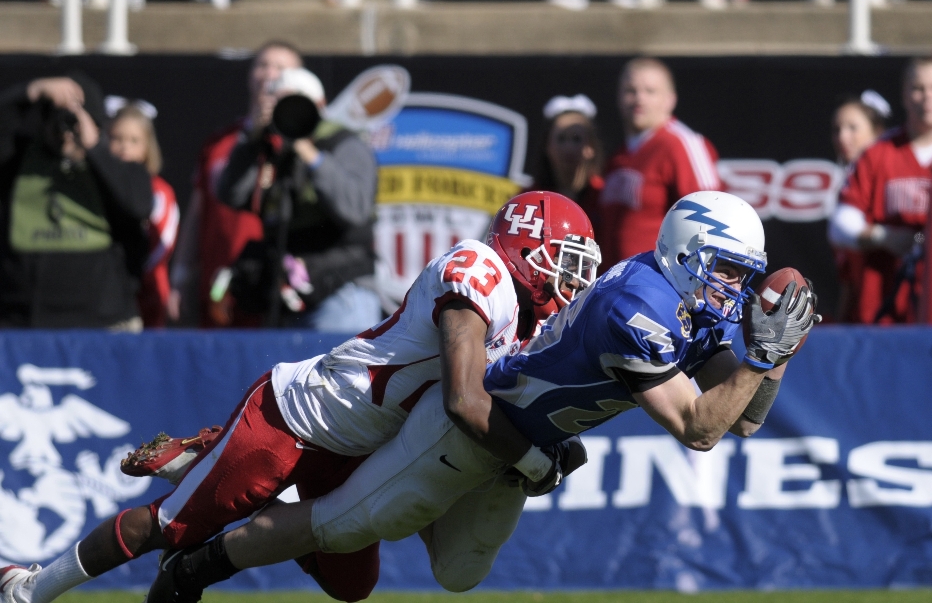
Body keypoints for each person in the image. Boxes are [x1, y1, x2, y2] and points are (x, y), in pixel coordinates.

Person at [136, 191, 820, 602]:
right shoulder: (635, 305)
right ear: (688, 251)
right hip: (473, 428)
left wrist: (775, 357)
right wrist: (761, 355)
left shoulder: (696, 303)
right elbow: (700, 427)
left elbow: (745, 422)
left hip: (530, 444)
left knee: (459, 573)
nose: (734, 286)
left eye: (744, 275)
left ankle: (374, 488)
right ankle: (200, 565)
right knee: (340, 525)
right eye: (729, 269)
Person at [0, 191, 601, 603]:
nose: (570, 282)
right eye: (564, 263)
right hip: (296, 418)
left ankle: (222, 465)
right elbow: (465, 403)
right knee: (169, 528)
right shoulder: (481, 273)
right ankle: (30, 586)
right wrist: (528, 457)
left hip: (359, 447)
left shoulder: (523, 319)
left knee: (352, 586)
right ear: (525, 244)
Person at [216, 66, 381, 332]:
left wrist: (309, 152)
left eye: (294, 103)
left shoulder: (341, 143)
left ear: (319, 105)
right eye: (279, 104)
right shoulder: (270, 149)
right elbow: (230, 195)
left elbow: (356, 209)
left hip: (341, 293)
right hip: (287, 296)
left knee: (338, 373)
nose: (287, 111)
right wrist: (250, 138)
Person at [0, 74, 152, 330]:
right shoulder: (19, 160)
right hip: (23, 319)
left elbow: (138, 205)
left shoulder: (118, 168)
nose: (68, 134)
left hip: (100, 322)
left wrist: (95, 148)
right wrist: (30, 92)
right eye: (57, 122)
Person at [168, 41, 301, 328]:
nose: (269, 73)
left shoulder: (303, 146)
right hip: (220, 287)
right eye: (262, 65)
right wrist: (181, 274)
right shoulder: (220, 142)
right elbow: (198, 211)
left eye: (280, 67)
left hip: (278, 290)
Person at [828, 57, 932, 324]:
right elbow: (840, 225)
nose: (927, 97)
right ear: (904, 95)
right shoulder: (878, 153)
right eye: (918, 88)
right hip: (883, 309)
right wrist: (884, 236)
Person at [598, 56, 722, 268]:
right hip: (614, 284)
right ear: (619, 97)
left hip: (657, 284)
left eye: (650, 91)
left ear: (670, 99)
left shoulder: (682, 144)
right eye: (630, 91)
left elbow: (712, 219)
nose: (639, 99)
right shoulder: (619, 156)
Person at [107, 101, 180, 328]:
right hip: (107, 292)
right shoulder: (97, 187)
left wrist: (135, 273)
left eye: (134, 141)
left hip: (147, 293)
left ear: (148, 146)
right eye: (116, 138)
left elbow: (163, 241)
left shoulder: (159, 191)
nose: (124, 147)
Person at [827, 90, 890, 323]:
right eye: (837, 129)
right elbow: (848, 279)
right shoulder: (846, 185)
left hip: (891, 314)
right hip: (860, 318)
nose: (843, 137)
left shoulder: (888, 183)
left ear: (878, 133)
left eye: (853, 128)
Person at [533, 94, 606, 231]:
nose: (569, 148)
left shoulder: (605, 197)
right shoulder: (530, 199)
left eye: (576, 139)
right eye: (561, 139)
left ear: (591, 148)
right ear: (547, 146)